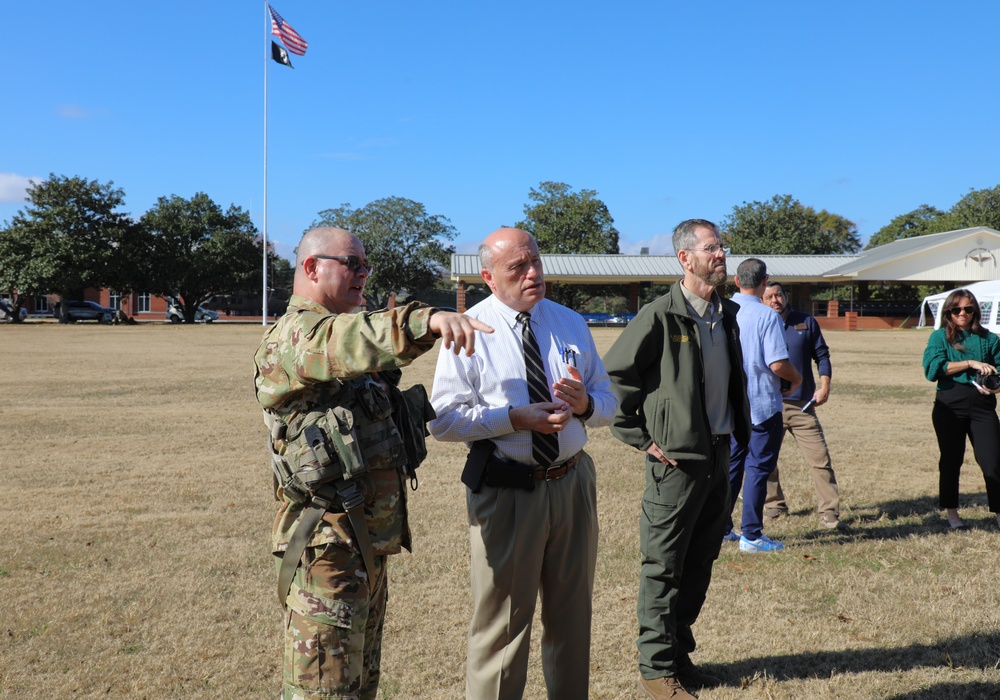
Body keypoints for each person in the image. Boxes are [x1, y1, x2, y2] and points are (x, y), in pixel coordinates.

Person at [253, 226, 492, 700]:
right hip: (327, 553)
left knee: (360, 685)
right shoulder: (298, 337)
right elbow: (358, 338)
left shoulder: (342, 341)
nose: (363, 274)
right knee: (325, 691)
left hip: (364, 549)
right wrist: (429, 320)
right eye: (352, 264)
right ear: (311, 267)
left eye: (366, 265)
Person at [429, 227, 616, 700]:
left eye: (535, 261)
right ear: (488, 278)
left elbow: (610, 401)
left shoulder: (570, 322)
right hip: (510, 492)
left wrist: (586, 406)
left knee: (572, 620)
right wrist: (512, 418)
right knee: (503, 630)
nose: (533, 273)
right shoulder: (469, 330)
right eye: (518, 268)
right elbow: (444, 420)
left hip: (573, 484)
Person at [603, 219, 751, 700]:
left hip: (719, 456)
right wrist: (641, 437)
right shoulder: (660, 315)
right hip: (675, 464)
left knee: (700, 561)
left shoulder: (724, 313)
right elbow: (615, 378)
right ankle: (655, 669)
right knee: (664, 565)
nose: (721, 254)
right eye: (712, 248)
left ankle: (679, 658)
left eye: (722, 247)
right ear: (685, 258)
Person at [725, 258, 801, 553]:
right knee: (757, 468)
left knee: (732, 466)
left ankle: (722, 527)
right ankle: (752, 535)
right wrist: (796, 379)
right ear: (764, 281)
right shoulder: (766, 315)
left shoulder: (721, 310)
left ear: (736, 280)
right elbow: (778, 363)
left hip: (730, 404)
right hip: (761, 404)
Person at [761, 281, 843, 530]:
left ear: (786, 296)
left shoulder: (805, 321)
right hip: (768, 404)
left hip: (802, 405)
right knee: (765, 460)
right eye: (769, 296)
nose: (775, 300)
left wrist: (825, 384)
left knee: (820, 458)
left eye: (779, 294)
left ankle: (829, 511)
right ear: (761, 300)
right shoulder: (759, 323)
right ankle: (774, 505)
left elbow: (822, 355)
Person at [922, 288, 1000, 531]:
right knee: (951, 460)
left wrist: (993, 387)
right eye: (956, 309)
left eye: (967, 308)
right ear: (949, 312)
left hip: (982, 405)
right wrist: (969, 363)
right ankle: (952, 513)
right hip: (949, 403)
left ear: (975, 310)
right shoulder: (939, 337)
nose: (962, 313)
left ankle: (998, 512)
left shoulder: (990, 338)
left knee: (993, 461)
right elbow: (932, 370)